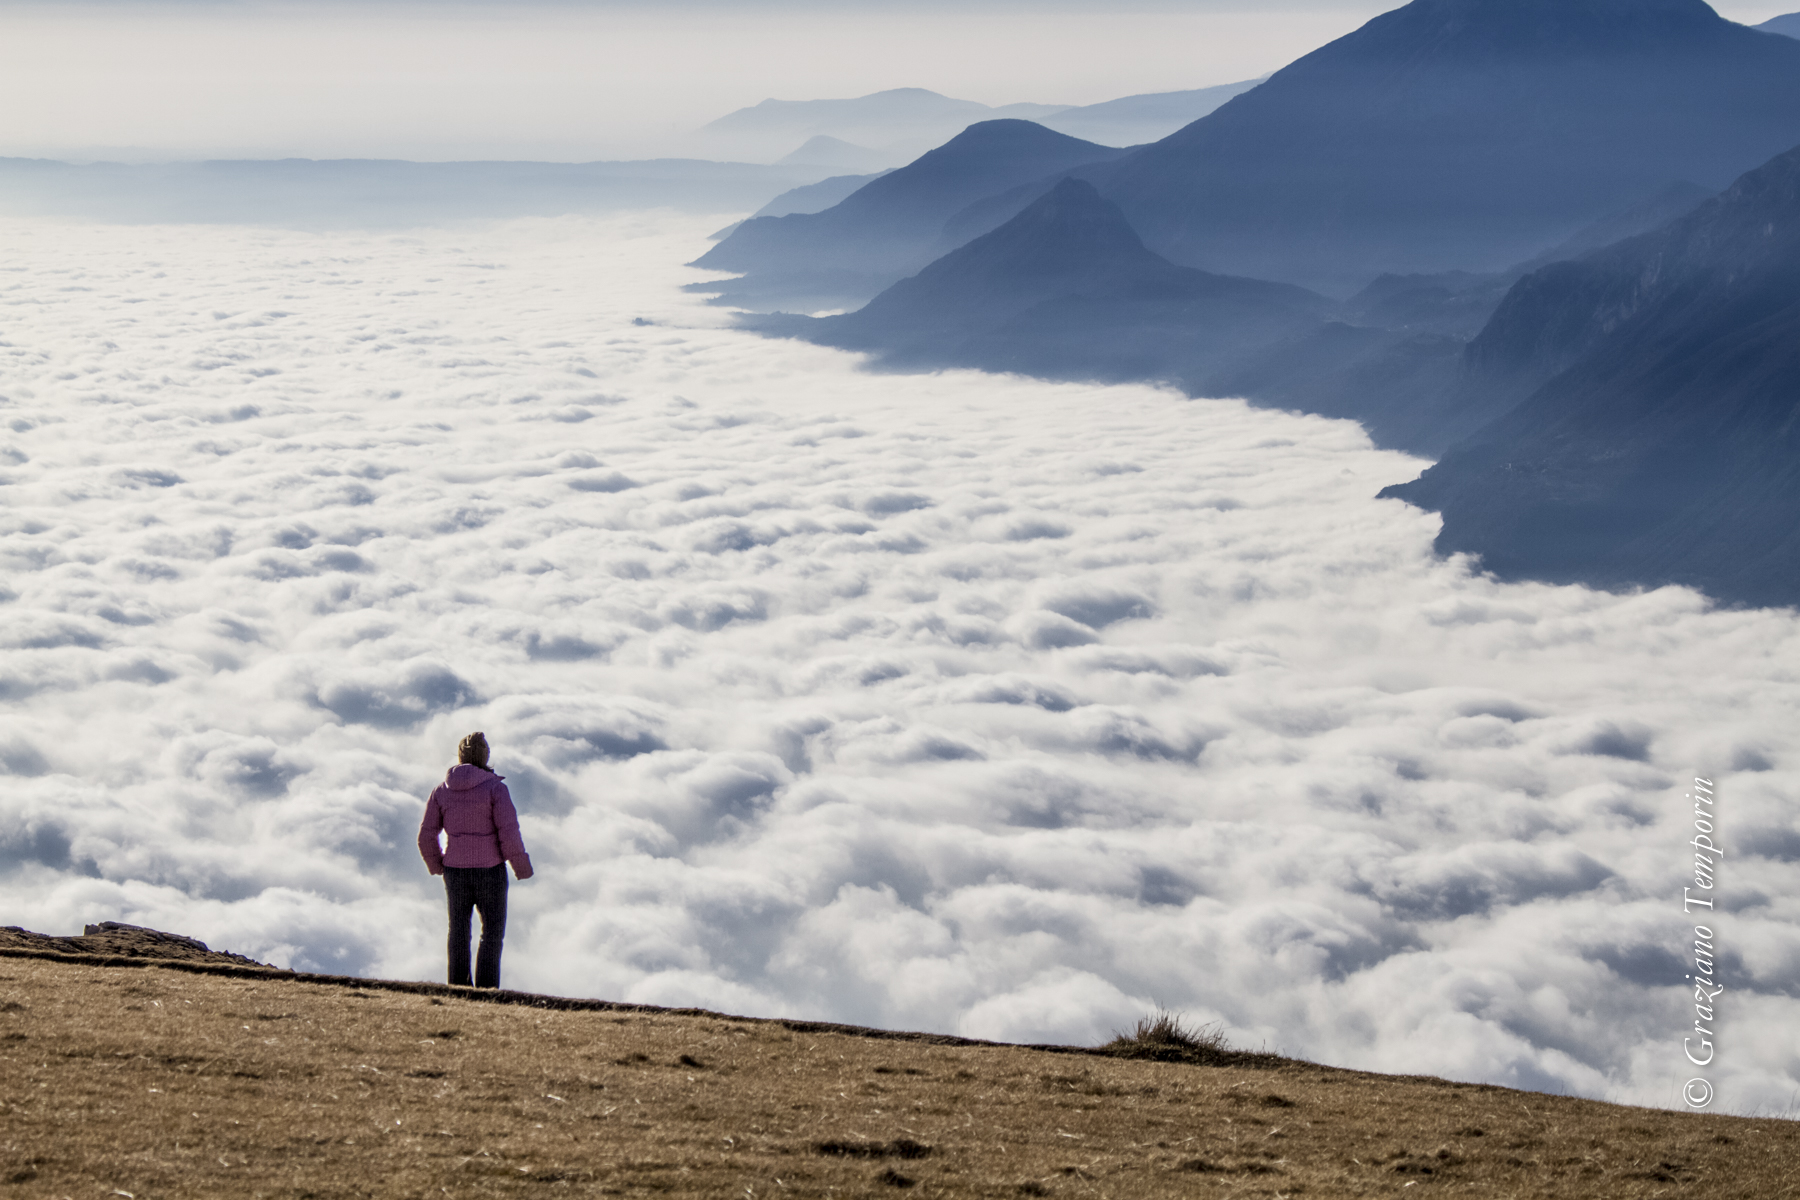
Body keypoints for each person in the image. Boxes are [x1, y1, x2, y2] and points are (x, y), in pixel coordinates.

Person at [418, 731, 533, 989]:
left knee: (458, 931)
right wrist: (521, 867)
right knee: (491, 933)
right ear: (485, 756)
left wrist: (437, 864)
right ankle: (487, 990)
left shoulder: (441, 791)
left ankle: (458, 988)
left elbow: (426, 835)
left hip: (455, 871)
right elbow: (509, 832)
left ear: (460, 756)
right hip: (490, 871)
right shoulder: (496, 789)